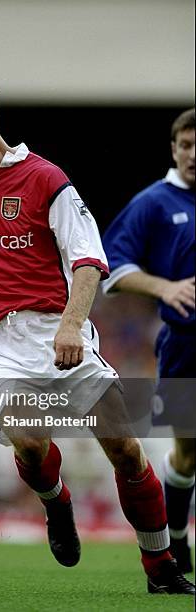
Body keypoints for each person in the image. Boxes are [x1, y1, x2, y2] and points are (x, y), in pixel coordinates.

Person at [0, 74, 194, 595]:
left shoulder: (46, 179)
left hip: (56, 330)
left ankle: (160, 566)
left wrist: (72, 323)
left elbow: (90, 261)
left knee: (124, 448)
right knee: (29, 441)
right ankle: (56, 501)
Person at [102, 108, 195, 574]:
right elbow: (110, 269)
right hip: (185, 345)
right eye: (186, 145)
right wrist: (165, 287)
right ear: (175, 149)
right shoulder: (153, 203)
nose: (193, 154)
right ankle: (176, 535)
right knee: (189, 450)